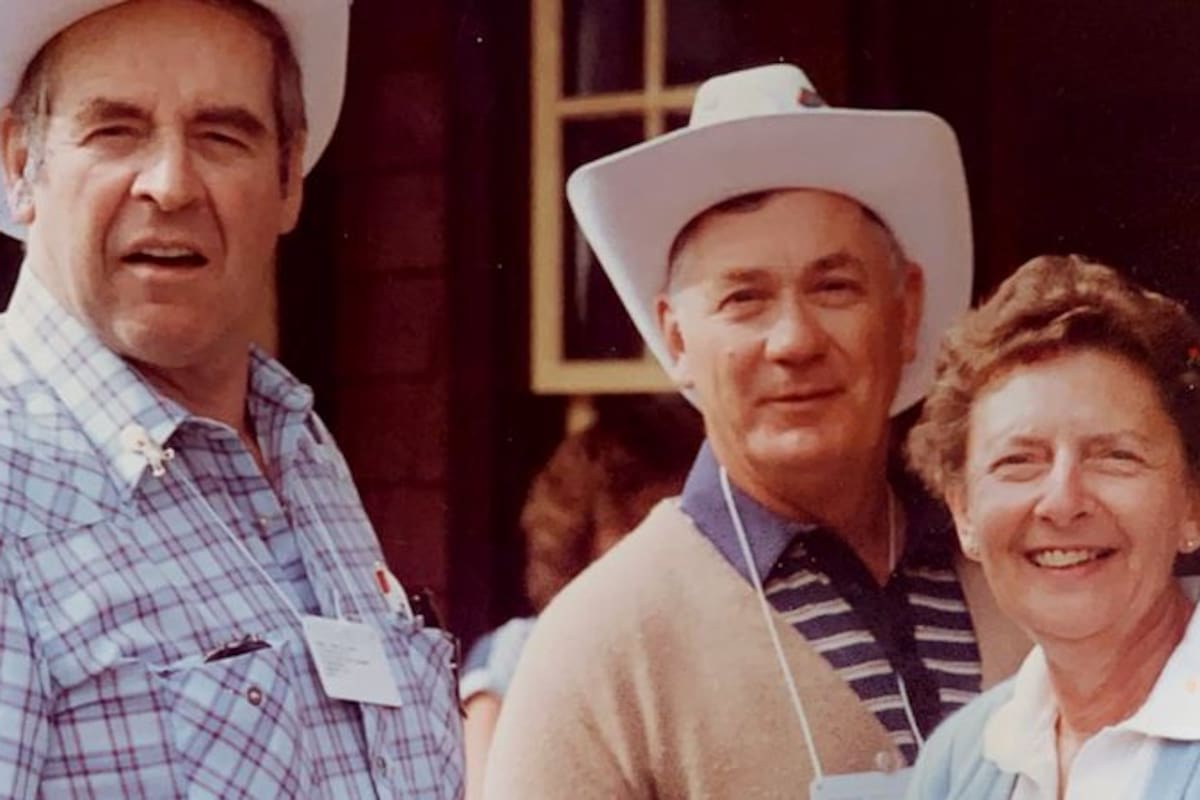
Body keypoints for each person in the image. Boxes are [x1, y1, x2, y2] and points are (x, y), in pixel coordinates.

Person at [484, 63, 1029, 799]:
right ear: (675, 340)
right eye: (744, 298)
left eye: (834, 287)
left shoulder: (1020, 572)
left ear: (906, 313)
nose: (794, 341)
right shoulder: (598, 648)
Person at [0, 2, 463, 797]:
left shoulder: (298, 448)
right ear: (20, 166)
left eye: (222, 136)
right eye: (116, 130)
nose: (171, 184)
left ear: (290, 179)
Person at [904, 254, 1200, 799]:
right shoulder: (960, 761)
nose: (1062, 503)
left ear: (1192, 505)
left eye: (1115, 456)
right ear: (964, 513)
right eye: (1018, 461)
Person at [461, 395, 701, 798]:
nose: (663, 545)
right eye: (636, 523)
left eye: (685, 522)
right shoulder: (517, 653)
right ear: (579, 533)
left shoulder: (726, 642)